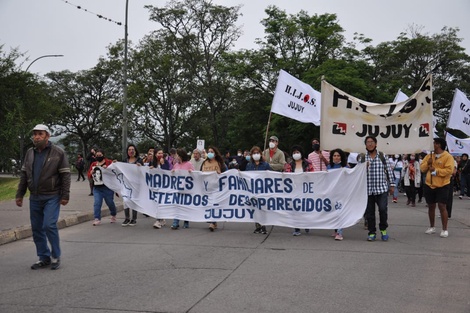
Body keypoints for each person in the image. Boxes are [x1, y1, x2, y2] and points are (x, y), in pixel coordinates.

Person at [16, 124, 71, 270]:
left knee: (49, 225)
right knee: (37, 229)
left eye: (40, 134)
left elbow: (65, 175)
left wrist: (65, 195)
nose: (36, 137)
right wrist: (19, 194)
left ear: (47, 136)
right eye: (35, 134)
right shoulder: (30, 153)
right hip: (34, 197)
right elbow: (24, 175)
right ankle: (43, 257)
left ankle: (55, 256)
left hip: (52, 196)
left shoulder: (58, 153)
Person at [359, 136, 395, 241]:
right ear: (365, 145)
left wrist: (392, 185)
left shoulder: (382, 156)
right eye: (368, 142)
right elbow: (358, 173)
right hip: (368, 190)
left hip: (381, 189)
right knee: (370, 213)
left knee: (383, 210)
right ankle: (372, 232)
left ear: (376, 144)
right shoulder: (362, 158)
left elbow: (389, 171)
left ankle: (383, 230)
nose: (370, 144)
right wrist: (363, 167)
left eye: (372, 142)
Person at [420, 138, 454, 238]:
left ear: (439, 145)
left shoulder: (447, 156)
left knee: (442, 206)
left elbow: (449, 170)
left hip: (442, 185)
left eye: (434, 143)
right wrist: (427, 163)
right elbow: (422, 169)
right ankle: (432, 227)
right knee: (431, 206)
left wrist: (437, 171)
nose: (432, 145)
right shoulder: (429, 156)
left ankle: (444, 229)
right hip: (429, 184)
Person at [283, 145, 313, 236]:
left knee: (305, 208)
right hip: (294, 188)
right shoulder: (290, 164)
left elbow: (313, 173)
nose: (296, 154)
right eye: (294, 152)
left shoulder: (308, 163)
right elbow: (287, 174)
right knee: (295, 208)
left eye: (297, 152)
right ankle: (297, 228)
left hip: (305, 188)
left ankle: (306, 224)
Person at [87, 149, 118, 227]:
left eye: (100, 155)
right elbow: (89, 174)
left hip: (107, 187)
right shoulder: (94, 164)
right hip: (97, 187)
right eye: (97, 155)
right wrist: (91, 173)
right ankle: (97, 218)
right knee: (97, 203)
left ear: (103, 155)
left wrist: (107, 168)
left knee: (110, 203)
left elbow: (114, 170)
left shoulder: (109, 162)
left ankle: (113, 214)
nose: (98, 157)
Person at [246, 146, 271, 234]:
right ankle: (257, 226)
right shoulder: (249, 165)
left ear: (260, 154)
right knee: (255, 208)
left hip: (263, 189)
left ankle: (263, 225)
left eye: (257, 153)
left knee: (262, 208)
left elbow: (271, 177)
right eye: (254, 153)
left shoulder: (265, 165)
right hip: (253, 189)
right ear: (251, 155)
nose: (256, 155)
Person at [201, 145, 227, 231]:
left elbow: (227, 174)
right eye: (209, 152)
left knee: (214, 204)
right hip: (207, 187)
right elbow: (200, 174)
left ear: (215, 154)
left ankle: (213, 222)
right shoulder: (204, 163)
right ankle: (213, 221)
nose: (210, 153)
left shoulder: (220, 163)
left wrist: (221, 173)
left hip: (217, 187)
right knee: (209, 204)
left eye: (212, 152)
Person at [327, 148, 349, 240]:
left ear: (341, 157)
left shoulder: (346, 167)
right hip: (332, 192)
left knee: (340, 212)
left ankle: (340, 232)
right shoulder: (329, 167)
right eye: (334, 155)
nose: (336, 157)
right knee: (334, 212)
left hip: (342, 193)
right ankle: (336, 230)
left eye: (338, 156)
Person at [171, 148, 194, 229]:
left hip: (186, 189)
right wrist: (172, 172)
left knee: (185, 206)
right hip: (178, 189)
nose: (176, 157)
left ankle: (186, 221)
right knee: (177, 205)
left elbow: (194, 176)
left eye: (177, 155)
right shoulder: (176, 165)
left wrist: (191, 172)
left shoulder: (189, 164)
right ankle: (175, 222)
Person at [121, 144, 144, 226]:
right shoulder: (125, 160)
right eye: (129, 150)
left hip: (135, 184)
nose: (131, 151)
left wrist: (140, 167)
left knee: (134, 200)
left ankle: (134, 219)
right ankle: (127, 218)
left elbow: (143, 172)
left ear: (135, 151)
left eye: (132, 149)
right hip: (126, 184)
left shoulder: (139, 160)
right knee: (126, 200)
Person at [150, 148, 171, 229]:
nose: (160, 155)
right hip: (155, 186)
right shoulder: (153, 162)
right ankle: (161, 219)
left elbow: (167, 171)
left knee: (160, 203)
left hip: (163, 186)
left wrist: (162, 164)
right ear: (155, 154)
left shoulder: (165, 162)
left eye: (162, 153)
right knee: (156, 203)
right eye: (159, 153)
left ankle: (158, 221)